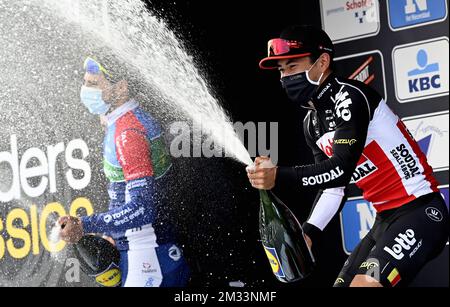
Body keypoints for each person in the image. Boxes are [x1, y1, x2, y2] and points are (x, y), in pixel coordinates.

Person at [247, 25, 448, 287]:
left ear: (322, 62)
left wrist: (278, 176)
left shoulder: (350, 97)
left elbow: (340, 167)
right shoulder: (311, 123)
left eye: (293, 66)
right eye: (282, 70)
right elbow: (333, 188)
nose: (285, 77)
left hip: (421, 211)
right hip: (384, 220)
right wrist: (308, 233)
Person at [59, 57, 190, 287]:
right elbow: (125, 195)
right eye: (85, 83)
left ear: (121, 87)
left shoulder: (127, 133)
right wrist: (113, 234)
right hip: (145, 254)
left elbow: (143, 208)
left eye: (93, 84)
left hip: (148, 260)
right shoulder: (122, 123)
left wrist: (85, 225)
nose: (85, 90)